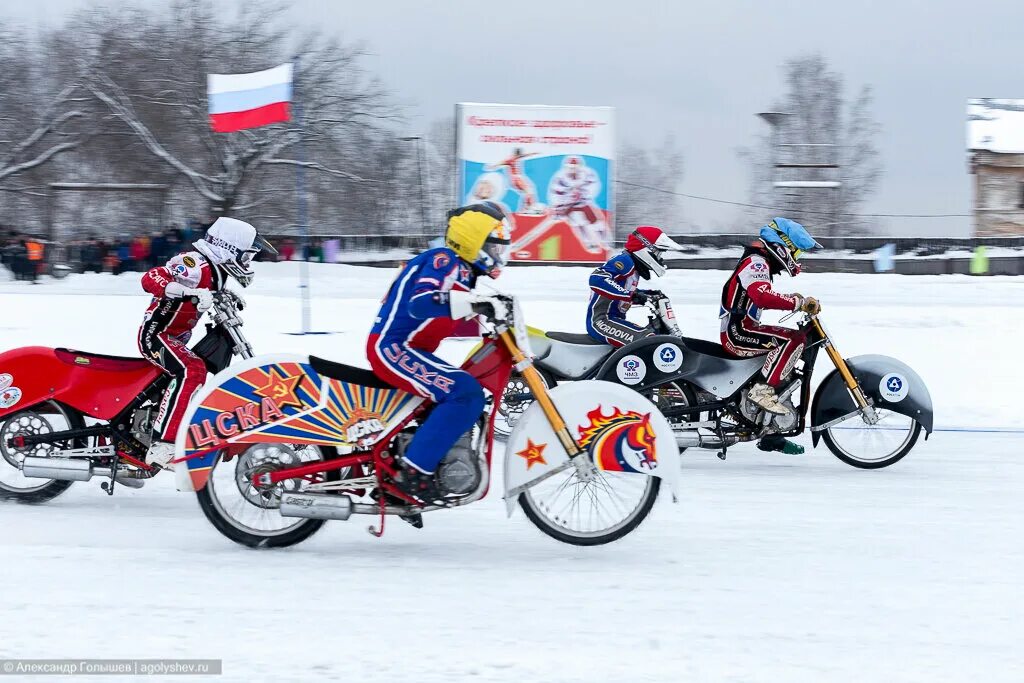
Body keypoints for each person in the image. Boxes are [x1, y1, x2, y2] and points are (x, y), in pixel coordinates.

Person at [366, 202, 511, 505]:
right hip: (395, 348)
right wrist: (477, 304)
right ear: (474, 241)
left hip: (410, 348)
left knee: (462, 386)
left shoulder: (463, 271)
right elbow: (421, 302)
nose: (498, 255)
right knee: (465, 393)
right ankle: (412, 475)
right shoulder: (445, 260)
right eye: (493, 247)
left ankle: (419, 462)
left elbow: (445, 314)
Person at [138, 216, 274, 468]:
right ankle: (164, 445)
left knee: (193, 367)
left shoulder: (216, 270)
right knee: (192, 370)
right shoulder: (194, 264)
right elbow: (151, 278)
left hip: (177, 338)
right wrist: (185, 291)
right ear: (229, 248)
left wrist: (227, 295)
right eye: (246, 256)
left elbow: (210, 290)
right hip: (157, 335)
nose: (247, 262)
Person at [719, 217, 821, 453]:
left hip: (743, 328)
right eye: (796, 253)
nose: (797, 260)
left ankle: (771, 435)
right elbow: (762, 296)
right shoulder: (756, 263)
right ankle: (761, 392)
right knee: (793, 340)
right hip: (739, 332)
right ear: (783, 245)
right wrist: (797, 302)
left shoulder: (760, 262)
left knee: (783, 366)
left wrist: (795, 300)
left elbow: (764, 294)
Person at [585, 225, 682, 346]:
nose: (660, 258)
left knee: (654, 335)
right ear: (647, 249)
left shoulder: (634, 271)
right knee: (647, 341)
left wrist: (648, 295)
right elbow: (597, 277)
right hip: (602, 322)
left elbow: (622, 294)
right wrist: (630, 295)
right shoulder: (625, 261)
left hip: (614, 321)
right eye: (659, 253)